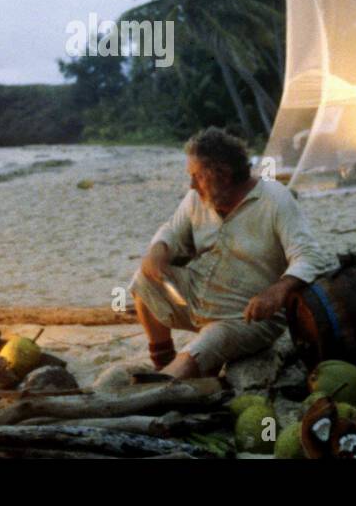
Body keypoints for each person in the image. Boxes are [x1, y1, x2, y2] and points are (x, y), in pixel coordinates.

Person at [130, 127, 327, 379]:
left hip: (246, 315)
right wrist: (158, 251)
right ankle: (163, 363)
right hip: (197, 296)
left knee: (203, 348)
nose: (191, 185)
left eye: (197, 176)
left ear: (222, 174)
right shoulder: (197, 198)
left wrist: (278, 290)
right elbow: (171, 230)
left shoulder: (275, 199)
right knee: (143, 281)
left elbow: (310, 256)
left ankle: (166, 383)